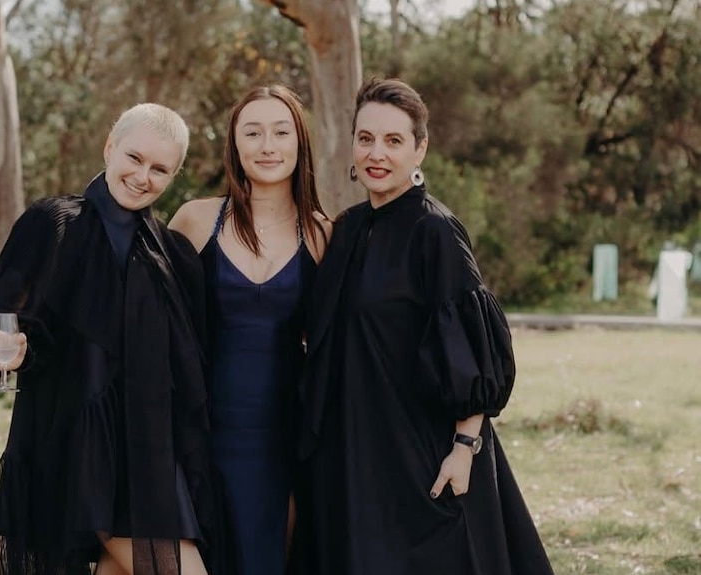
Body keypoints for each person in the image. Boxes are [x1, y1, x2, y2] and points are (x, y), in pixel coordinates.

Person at [298, 77, 555, 574]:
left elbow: (472, 351)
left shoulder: (435, 230)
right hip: (355, 448)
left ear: (420, 149)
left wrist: (464, 448)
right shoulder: (347, 227)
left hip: (423, 452)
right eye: (366, 138)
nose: (376, 153)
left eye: (393, 141)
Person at [0, 103, 217, 575]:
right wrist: (13, 351)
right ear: (109, 148)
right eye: (134, 158)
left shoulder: (170, 253)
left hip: (148, 460)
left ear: (173, 176)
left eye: (159, 169)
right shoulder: (54, 223)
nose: (142, 177)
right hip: (75, 451)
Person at [168, 84, 331, 575]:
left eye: (281, 132)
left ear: (299, 142)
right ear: (234, 144)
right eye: (253, 132)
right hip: (200, 425)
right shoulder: (196, 220)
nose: (267, 146)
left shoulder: (322, 233)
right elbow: (148, 315)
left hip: (285, 433)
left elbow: (344, 338)